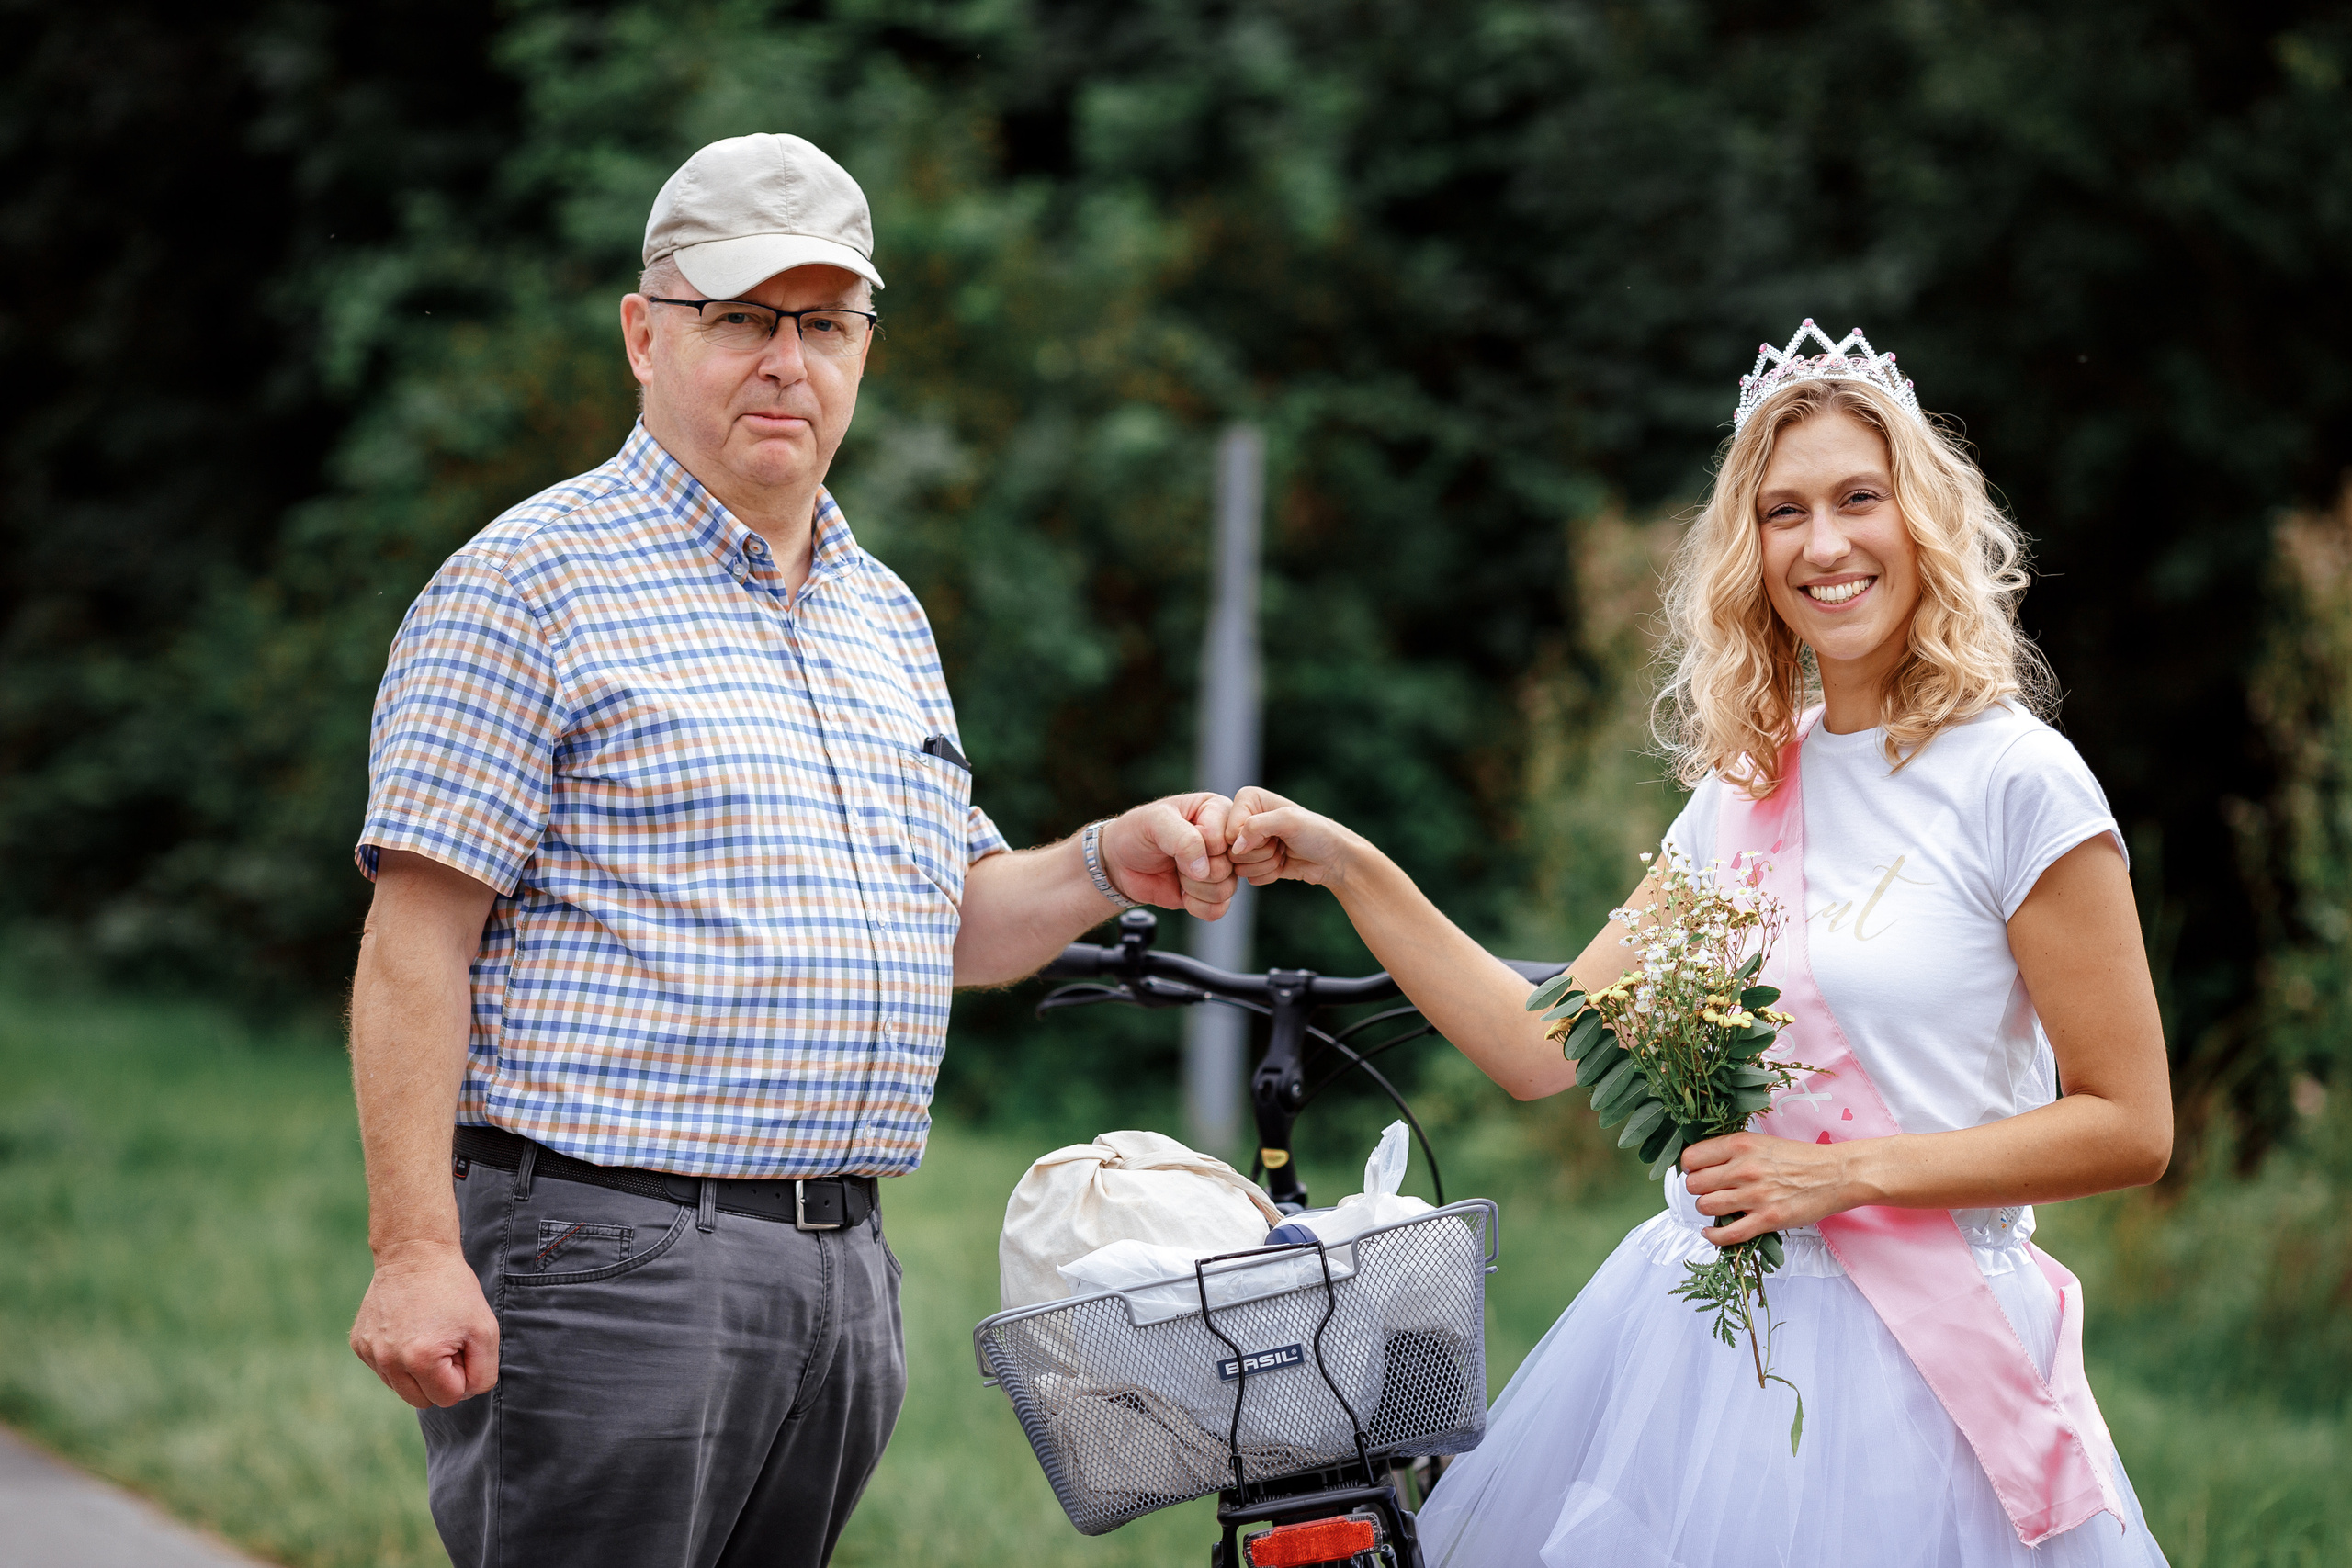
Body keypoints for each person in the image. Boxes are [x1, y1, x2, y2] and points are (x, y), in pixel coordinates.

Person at [343, 131, 1239, 1568]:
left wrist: (1104, 860)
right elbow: (414, 942)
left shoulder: (880, 614)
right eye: (743, 318)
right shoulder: (526, 583)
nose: (787, 360)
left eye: (823, 324)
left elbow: (953, 922)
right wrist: (415, 1251)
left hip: (842, 1271)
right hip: (611, 1257)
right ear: (646, 334)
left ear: (864, 349)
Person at [1226, 322, 2174, 1567]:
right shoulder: (1744, 790)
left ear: (1924, 520)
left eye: (1857, 499)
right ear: (1751, 548)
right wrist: (1346, 865)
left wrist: (1840, 1176)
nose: (1824, 545)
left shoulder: (2019, 782)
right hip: (1714, 1356)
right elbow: (1538, 1046)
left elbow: (2131, 1126)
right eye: (1784, 513)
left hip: (1929, 1383)